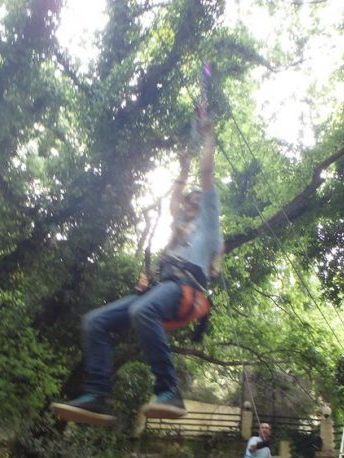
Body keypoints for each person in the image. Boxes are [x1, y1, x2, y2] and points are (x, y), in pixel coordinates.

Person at [51, 110, 222, 425]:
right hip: (161, 289)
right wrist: (181, 173)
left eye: (196, 198)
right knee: (95, 322)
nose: (189, 201)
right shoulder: (180, 224)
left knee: (141, 312)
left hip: (185, 289)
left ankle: (169, 390)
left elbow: (208, 172)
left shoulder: (209, 224)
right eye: (188, 199)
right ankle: (97, 395)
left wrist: (208, 136)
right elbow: (174, 202)